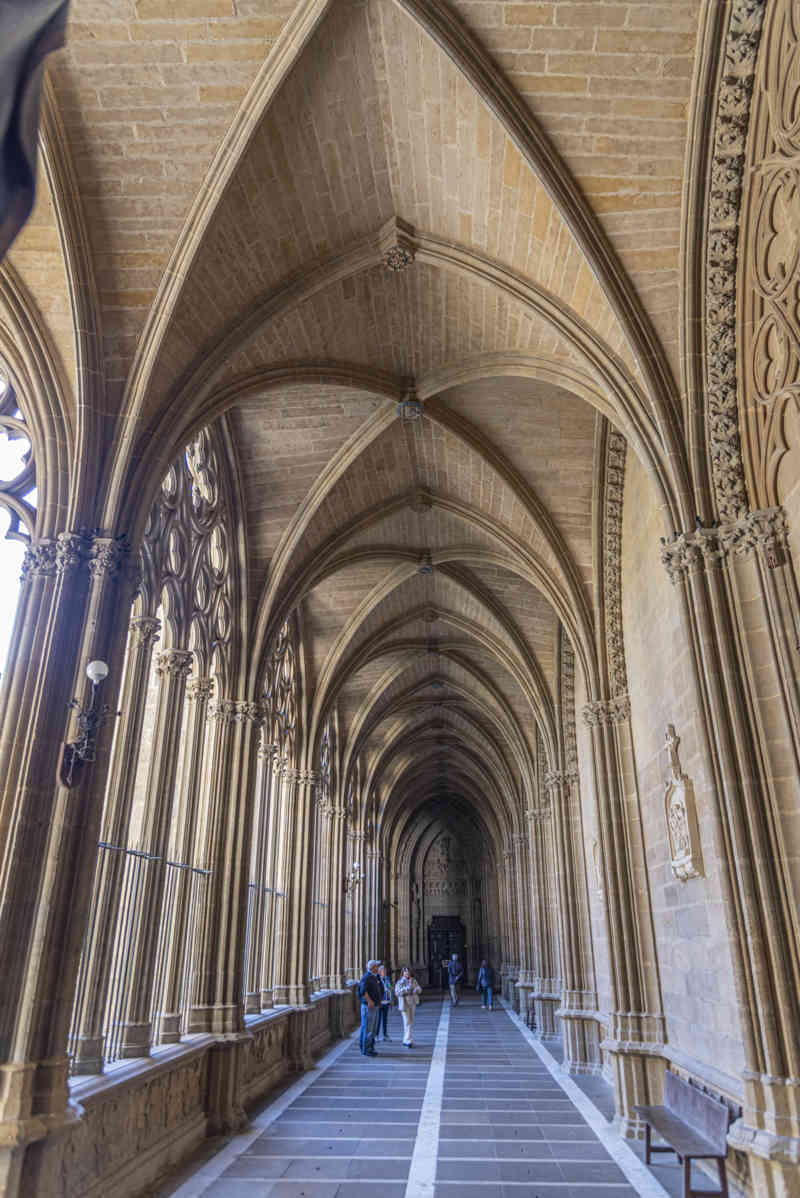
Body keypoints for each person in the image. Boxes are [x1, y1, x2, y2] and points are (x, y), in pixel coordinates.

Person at [357, 959, 383, 1056]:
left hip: (374, 1005)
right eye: (376, 966)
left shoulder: (373, 976)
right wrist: (369, 1001)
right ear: (372, 968)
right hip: (369, 1007)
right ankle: (367, 1049)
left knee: (372, 1028)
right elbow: (363, 990)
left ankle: (367, 1046)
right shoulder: (367, 977)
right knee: (369, 1028)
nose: (378, 967)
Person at [394, 965, 422, 1047]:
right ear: (403, 973)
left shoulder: (413, 980)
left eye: (408, 971)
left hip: (412, 1003)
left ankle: (407, 1039)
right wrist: (406, 989)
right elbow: (397, 992)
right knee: (407, 1022)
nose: (407, 973)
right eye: (405, 971)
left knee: (411, 1022)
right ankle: (408, 1041)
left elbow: (419, 989)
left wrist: (416, 990)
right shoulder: (400, 982)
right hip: (405, 1003)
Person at [376, 963, 393, 1040]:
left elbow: (390, 989)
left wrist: (391, 1000)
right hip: (380, 1002)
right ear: (379, 972)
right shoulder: (377, 979)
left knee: (385, 1019)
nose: (385, 972)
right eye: (383, 971)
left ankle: (385, 1035)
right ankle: (376, 1035)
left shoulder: (388, 979)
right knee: (378, 1019)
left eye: (385, 971)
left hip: (386, 1001)